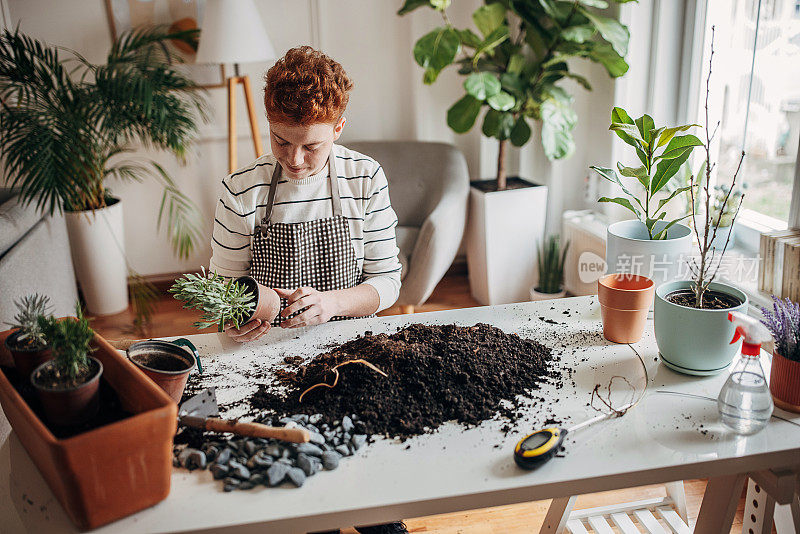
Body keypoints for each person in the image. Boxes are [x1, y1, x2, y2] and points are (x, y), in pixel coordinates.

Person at [209, 46, 408, 534]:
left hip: (352, 353)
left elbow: (387, 283)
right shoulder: (243, 189)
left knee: (370, 493)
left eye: (311, 146)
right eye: (281, 141)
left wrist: (334, 303)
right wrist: (240, 312)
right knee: (303, 496)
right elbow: (220, 292)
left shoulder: (365, 179)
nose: (294, 160)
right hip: (271, 360)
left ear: (338, 129)